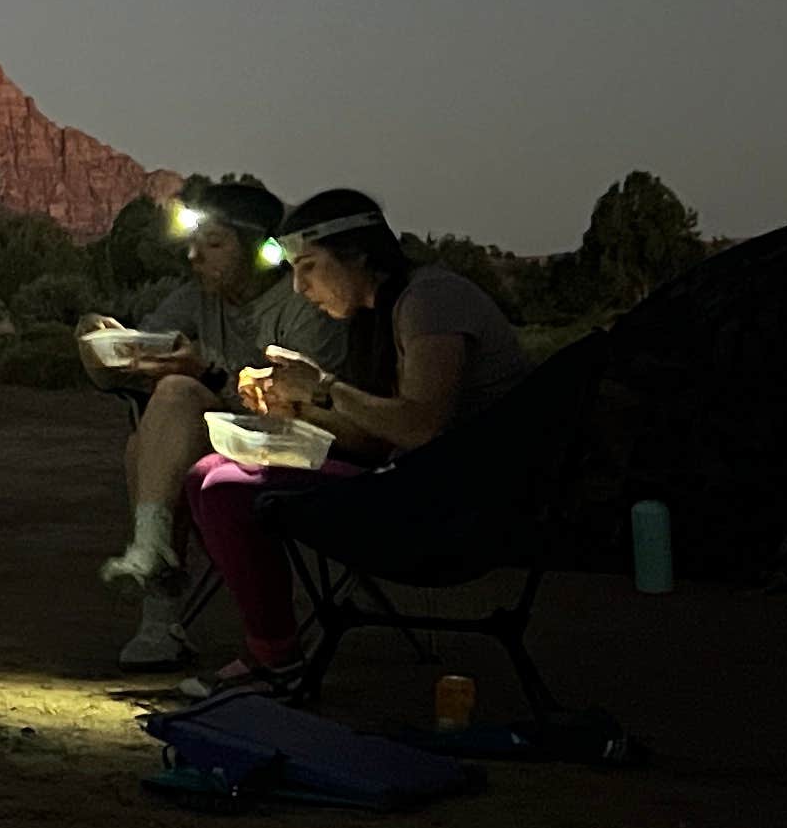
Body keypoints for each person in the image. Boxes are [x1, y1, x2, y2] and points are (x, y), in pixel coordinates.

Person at [175, 187, 534, 694]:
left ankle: (275, 661)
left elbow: (419, 427)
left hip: (463, 505)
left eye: (309, 268)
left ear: (358, 255)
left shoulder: (430, 300)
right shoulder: (375, 317)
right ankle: (272, 647)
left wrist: (323, 387)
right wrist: (296, 407)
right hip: (410, 479)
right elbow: (375, 440)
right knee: (204, 473)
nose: (299, 287)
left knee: (225, 489)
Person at [90, 175, 344, 665]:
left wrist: (207, 373)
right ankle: (154, 574)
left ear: (259, 249)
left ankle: (159, 611)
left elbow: (307, 408)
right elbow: (140, 350)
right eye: (192, 244)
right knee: (154, 435)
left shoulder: (303, 304)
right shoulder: (197, 298)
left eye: (213, 244)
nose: (194, 257)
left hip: (300, 446)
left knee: (175, 401)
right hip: (224, 443)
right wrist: (110, 344)